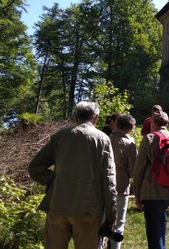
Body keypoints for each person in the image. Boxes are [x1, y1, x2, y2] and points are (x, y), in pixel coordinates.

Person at [28, 101, 117, 249]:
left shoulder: (60, 136)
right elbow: (109, 180)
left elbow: (35, 168)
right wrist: (111, 213)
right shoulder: (103, 139)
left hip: (58, 205)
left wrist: (55, 180)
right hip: (89, 209)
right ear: (95, 118)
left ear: (76, 116)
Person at [133, 111, 169, 249]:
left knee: (153, 230)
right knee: (161, 222)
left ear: (153, 123)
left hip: (151, 190)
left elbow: (139, 170)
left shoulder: (149, 138)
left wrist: (137, 195)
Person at [109, 114, 138, 249]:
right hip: (121, 185)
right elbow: (134, 170)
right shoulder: (129, 142)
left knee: (102, 222)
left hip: (103, 186)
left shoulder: (106, 139)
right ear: (130, 127)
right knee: (118, 223)